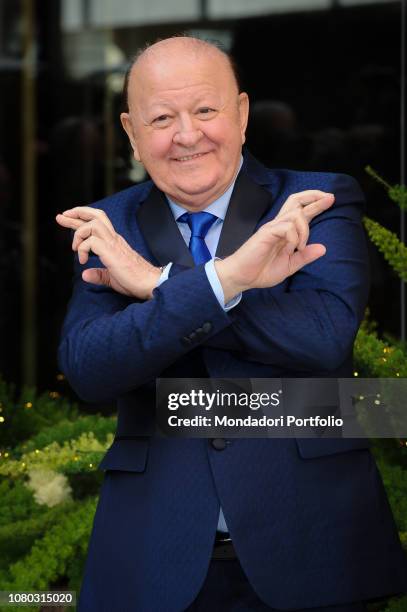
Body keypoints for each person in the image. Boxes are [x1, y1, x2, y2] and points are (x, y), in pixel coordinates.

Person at [56, 37, 407, 612]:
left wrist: (158, 285)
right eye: (162, 118)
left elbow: (321, 338)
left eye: (205, 110)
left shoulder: (312, 200)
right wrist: (227, 283)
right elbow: (91, 369)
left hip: (311, 541)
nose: (188, 135)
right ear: (131, 133)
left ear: (242, 114)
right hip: (155, 555)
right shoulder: (109, 225)